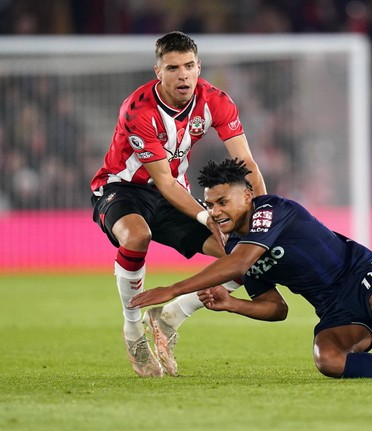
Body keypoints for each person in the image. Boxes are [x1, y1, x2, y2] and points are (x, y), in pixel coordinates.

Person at [129, 158, 372, 380]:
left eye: (222, 201)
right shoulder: (237, 246)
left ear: (247, 195)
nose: (214, 211)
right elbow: (276, 307)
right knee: (328, 359)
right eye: (210, 205)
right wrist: (233, 306)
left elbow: (242, 261)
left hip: (361, 274)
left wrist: (174, 290)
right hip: (335, 311)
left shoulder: (270, 211)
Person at [90, 32, 266, 378]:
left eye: (188, 66)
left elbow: (246, 161)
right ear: (159, 71)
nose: (182, 74)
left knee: (247, 254)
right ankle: (133, 330)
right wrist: (205, 215)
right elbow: (163, 181)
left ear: (199, 67)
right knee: (137, 236)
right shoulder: (138, 109)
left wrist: (262, 214)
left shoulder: (216, 101)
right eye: (173, 68)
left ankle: (172, 315)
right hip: (123, 188)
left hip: (175, 193)